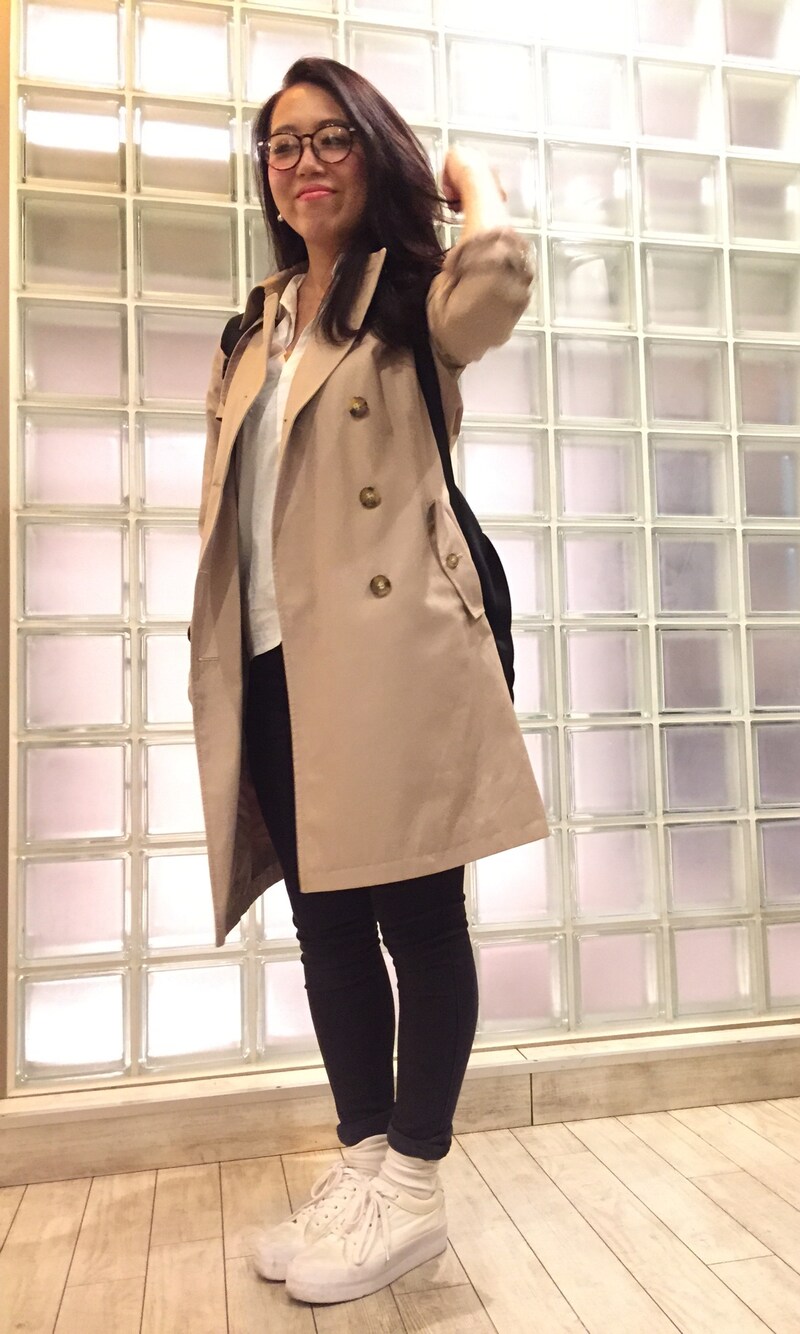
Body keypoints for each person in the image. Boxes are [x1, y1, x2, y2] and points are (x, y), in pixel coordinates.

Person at [188, 56, 549, 1306]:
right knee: (327, 927)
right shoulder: (255, 324)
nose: (305, 164)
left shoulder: (409, 297)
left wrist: (472, 181)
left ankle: (415, 1180)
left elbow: (496, 288)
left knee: (418, 919)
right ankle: (361, 1164)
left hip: (390, 654)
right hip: (272, 659)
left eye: (332, 138)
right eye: (284, 145)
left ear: (373, 152)